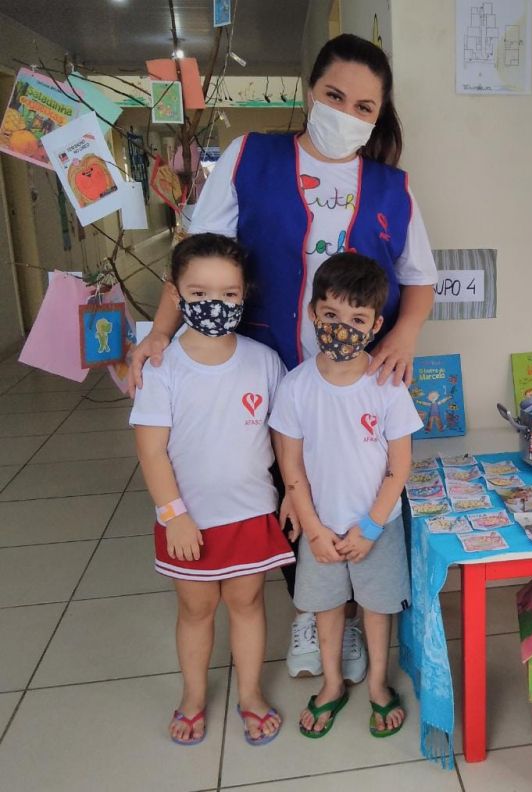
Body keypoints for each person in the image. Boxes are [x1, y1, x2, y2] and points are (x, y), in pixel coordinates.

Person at [128, 33, 437, 682]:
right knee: (286, 487)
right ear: (310, 91)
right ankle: (311, 611)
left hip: (355, 379)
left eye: (363, 106)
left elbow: (419, 278)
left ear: (378, 115)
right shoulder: (251, 157)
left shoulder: (392, 189)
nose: (346, 113)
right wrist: (160, 332)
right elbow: (197, 256)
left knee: (352, 483)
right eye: (334, 96)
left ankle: (351, 611)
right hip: (268, 366)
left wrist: (405, 334)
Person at [130, 233, 294, 746]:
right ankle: (193, 698)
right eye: (199, 293)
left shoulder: (263, 361)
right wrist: (174, 515)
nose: (214, 304)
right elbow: (151, 452)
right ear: (175, 292)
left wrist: (293, 490)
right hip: (188, 521)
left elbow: (284, 435)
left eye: (228, 293)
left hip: (250, 513)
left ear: (245, 295)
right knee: (196, 610)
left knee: (248, 603)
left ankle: (251, 695)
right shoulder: (162, 368)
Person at [269, 253, 422, 738]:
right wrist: (314, 531)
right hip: (321, 527)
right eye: (331, 315)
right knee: (326, 608)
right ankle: (332, 683)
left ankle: (377, 684)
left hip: (378, 527)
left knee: (377, 609)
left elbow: (399, 467)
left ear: (376, 325)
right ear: (313, 313)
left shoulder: (388, 387)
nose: (342, 327)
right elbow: (291, 467)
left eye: (357, 319)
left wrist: (371, 526)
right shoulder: (295, 387)